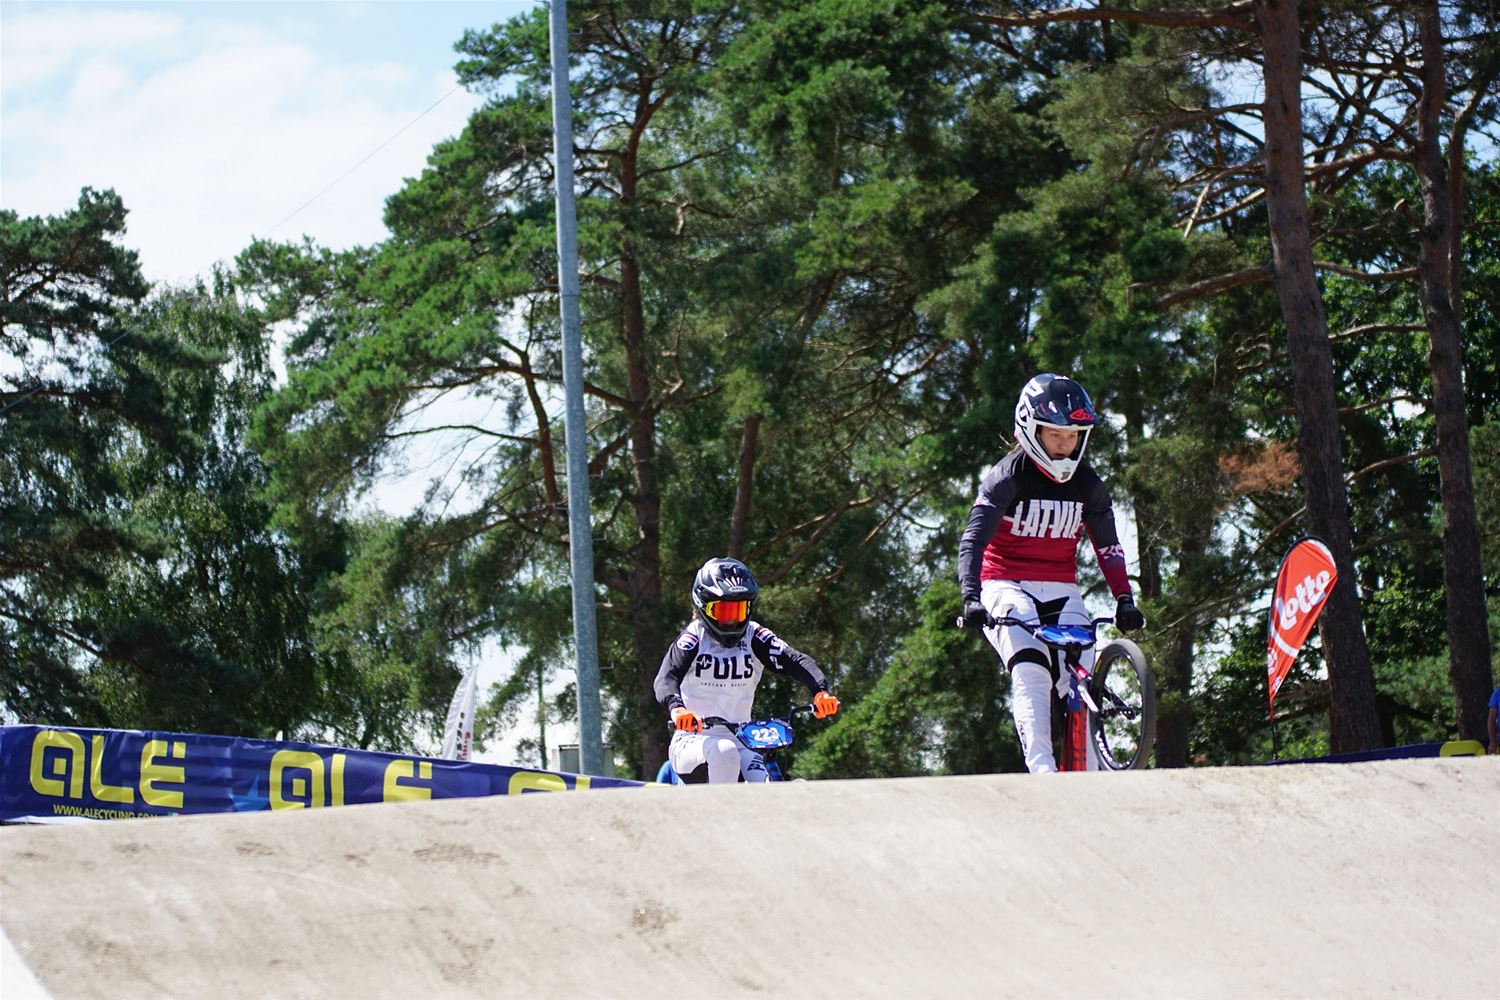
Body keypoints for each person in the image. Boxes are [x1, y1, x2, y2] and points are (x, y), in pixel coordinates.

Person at [957, 373, 1144, 773]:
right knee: (1032, 670)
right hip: (1004, 584)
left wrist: (1124, 599)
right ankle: (1043, 773)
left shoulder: (1089, 484)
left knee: (1080, 678)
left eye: (1073, 436)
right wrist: (971, 598)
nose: (1065, 444)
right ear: (1031, 430)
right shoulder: (1006, 477)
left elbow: (1108, 547)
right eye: (1056, 434)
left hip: (1061, 588)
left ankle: (1091, 774)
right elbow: (973, 542)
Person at [654, 557, 839, 783]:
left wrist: (820, 692)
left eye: (739, 610)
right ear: (704, 606)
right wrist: (678, 709)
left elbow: (795, 660)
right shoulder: (694, 637)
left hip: (744, 740)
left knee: (767, 783)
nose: (732, 620)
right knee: (725, 752)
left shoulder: (754, 635)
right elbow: (666, 677)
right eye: (724, 611)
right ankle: (721, 808)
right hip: (692, 740)